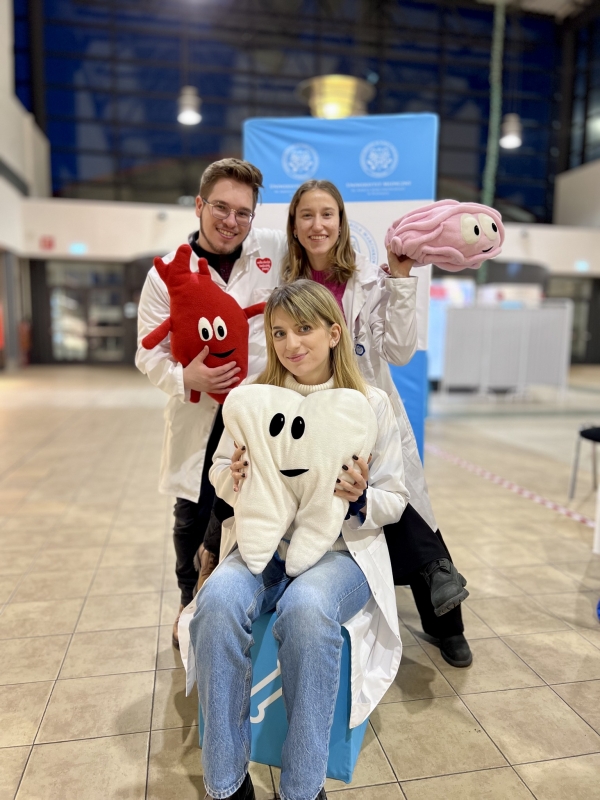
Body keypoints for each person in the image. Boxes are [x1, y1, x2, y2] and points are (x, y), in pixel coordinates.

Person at [188, 280, 408, 800]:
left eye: (304, 329)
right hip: (262, 546)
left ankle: (303, 789)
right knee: (217, 603)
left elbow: (396, 499)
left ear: (334, 333)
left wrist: (360, 498)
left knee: (307, 610)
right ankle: (226, 783)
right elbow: (219, 474)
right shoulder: (254, 401)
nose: (291, 344)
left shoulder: (370, 404)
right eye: (279, 332)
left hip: (341, 553)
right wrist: (235, 476)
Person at [283, 179, 472, 668]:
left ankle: (447, 626)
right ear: (294, 226)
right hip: (316, 415)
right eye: (307, 215)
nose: (318, 225)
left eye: (327, 214)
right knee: (359, 506)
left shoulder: (370, 279)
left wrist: (402, 280)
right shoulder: (285, 287)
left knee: (404, 500)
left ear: (342, 223)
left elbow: (400, 351)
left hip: (371, 409)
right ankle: (429, 580)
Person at [136, 158, 286, 647]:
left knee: (247, 507)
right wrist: (187, 378)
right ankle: (188, 599)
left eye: (243, 212)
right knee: (192, 511)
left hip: (257, 413)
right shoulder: (167, 273)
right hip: (197, 412)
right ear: (199, 205)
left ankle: (238, 603)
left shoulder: (272, 252)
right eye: (221, 207)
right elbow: (147, 351)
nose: (231, 221)